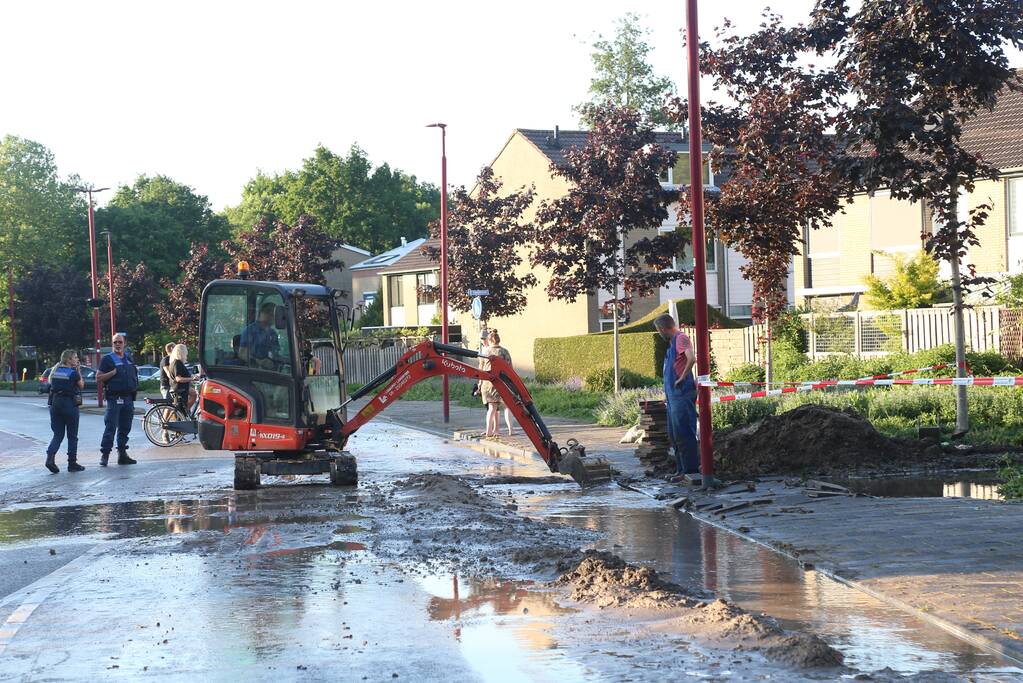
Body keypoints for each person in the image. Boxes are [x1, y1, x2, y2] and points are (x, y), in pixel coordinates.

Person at [654, 313, 699, 478]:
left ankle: (690, 471)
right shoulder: (672, 343)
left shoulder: (681, 338)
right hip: (673, 396)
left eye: (659, 330)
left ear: (663, 328)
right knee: (675, 435)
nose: (659, 333)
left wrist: (682, 377)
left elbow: (692, 358)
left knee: (684, 432)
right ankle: (681, 470)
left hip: (682, 393)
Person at [97, 333, 139, 466]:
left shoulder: (129, 358)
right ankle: (105, 455)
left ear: (124, 343)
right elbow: (98, 378)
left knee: (125, 428)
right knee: (110, 427)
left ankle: (122, 455)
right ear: (112, 344)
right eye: (115, 342)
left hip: (128, 398)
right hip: (114, 398)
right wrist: (112, 373)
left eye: (120, 342)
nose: (118, 344)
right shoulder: (107, 359)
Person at [45, 349, 85, 473]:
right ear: (69, 360)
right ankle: (72, 463)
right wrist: (78, 371)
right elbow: (81, 385)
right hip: (69, 404)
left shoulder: (55, 371)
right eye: (75, 357)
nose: (77, 359)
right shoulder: (72, 373)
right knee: (72, 436)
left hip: (55, 405)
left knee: (58, 434)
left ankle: (50, 458)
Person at [478, 330, 514, 437]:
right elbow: (510, 369)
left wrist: (479, 385)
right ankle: (511, 430)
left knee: (492, 408)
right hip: (502, 382)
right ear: (498, 340)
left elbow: (481, 370)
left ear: (489, 340)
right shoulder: (505, 352)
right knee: (508, 407)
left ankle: (489, 431)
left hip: (488, 383)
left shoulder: (485, 352)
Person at [239, 302, 280, 369]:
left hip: (271, 371)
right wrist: (259, 362)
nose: (275, 318)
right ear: (263, 313)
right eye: (272, 314)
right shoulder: (250, 331)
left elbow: (275, 353)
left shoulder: (273, 333)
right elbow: (242, 353)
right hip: (253, 371)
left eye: (275, 315)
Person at [168, 343, 196, 412]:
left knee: (193, 393)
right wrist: (192, 378)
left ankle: (186, 412)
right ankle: (186, 411)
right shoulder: (177, 363)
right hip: (180, 389)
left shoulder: (175, 362)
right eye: (185, 351)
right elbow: (178, 379)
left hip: (179, 388)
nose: (186, 354)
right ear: (182, 352)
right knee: (193, 395)